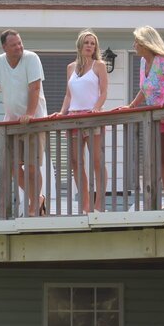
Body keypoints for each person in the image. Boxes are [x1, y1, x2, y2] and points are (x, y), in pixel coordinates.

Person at [0, 29, 48, 216]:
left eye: (20, 43)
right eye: (14, 45)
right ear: (4, 47)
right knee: (13, 166)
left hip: (34, 121)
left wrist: (29, 114)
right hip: (12, 123)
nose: (19, 47)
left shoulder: (31, 58)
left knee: (31, 166)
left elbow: (35, 87)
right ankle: (37, 198)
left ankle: (34, 205)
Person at [121, 25, 164, 207]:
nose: (134, 45)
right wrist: (132, 105)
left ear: (146, 43)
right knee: (163, 160)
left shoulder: (162, 62)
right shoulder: (143, 63)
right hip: (158, 118)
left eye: (137, 42)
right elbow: (145, 89)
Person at [52, 30, 109, 213]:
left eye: (92, 43)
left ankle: (99, 204)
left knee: (97, 160)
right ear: (80, 45)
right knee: (76, 161)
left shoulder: (99, 65)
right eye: (86, 42)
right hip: (74, 118)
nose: (89, 46)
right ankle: (85, 205)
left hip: (92, 118)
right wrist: (62, 112)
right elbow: (68, 95)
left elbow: (104, 92)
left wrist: (97, 108)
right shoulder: (70, 67)